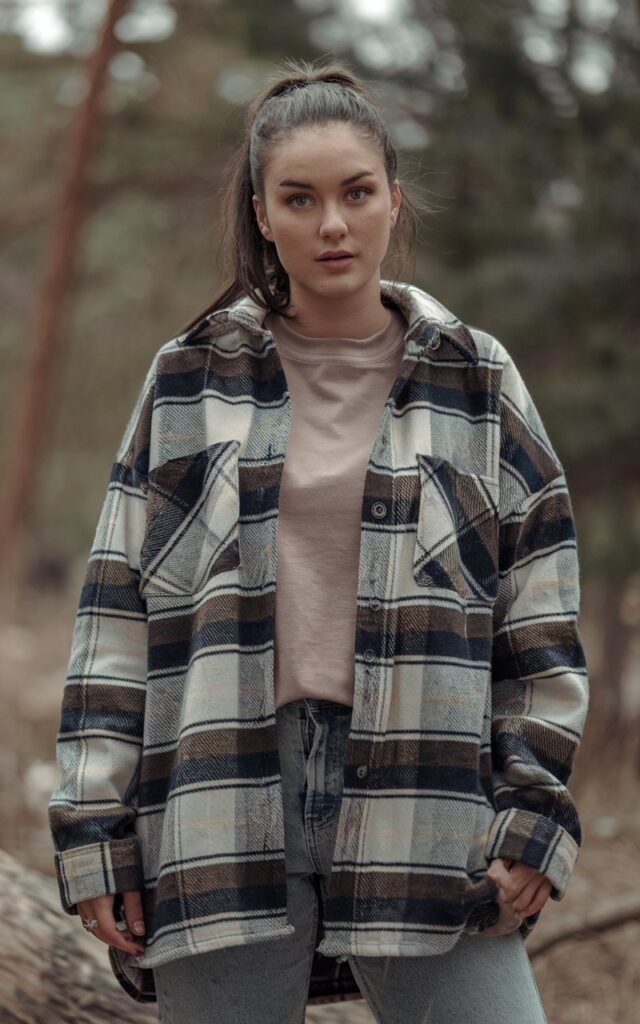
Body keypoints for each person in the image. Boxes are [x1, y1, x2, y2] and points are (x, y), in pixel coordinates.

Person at [48, 56, 589, 1023]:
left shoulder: (477, 377)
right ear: (263, 214)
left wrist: (535, 808)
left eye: (356, 193)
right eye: (299, 199)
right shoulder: (187, 377)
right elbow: (115, 615)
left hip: (430, 796)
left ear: (393, 197)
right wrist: (95, 829)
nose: (332, 224)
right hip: (218, 793)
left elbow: (539, 617)